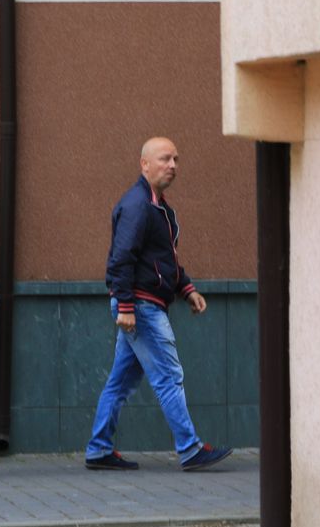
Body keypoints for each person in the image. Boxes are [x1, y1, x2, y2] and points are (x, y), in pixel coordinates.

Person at [84, 136, 233, 472]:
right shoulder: (138, 205)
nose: (173, 166)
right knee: (169, 375)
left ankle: (98, 449)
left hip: (142, 303)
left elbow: (164, 261)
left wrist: (187, 288)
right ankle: (191, 448)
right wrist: (124, 305)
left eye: (176, 159)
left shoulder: (159, 208)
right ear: (144, 164)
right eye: (165, 158)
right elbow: (121, 259)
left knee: (120, 382)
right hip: (141, 306)